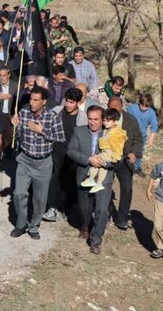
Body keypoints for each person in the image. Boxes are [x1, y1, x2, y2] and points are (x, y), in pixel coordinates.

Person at [11, 86, 66, 240]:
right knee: (19, 193)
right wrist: (15, 125)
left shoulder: (52, 117)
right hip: (25, 160)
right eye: (31, 99)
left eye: (36, 100)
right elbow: (18, 135)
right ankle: (21, 224)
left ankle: (34, 226)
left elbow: (60, 139)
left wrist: (42, 131)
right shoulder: (23, 113)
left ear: (44, 101)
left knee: (40, 198)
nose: (32, 103)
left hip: (43, 163)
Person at [67, 106, 112, 254]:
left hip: (103, 177)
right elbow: (71, 150)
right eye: (90, 119)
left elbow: (119, 156)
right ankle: (85, 226)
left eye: (96, 119)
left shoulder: (110, 133)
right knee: (84, 207)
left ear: (103, 119)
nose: (92, 122)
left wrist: (102, 162)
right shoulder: (79, 131)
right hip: (84, 174)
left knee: (101, 210)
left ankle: (96, 241)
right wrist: (88, 159)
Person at [44, 87, 86, 222]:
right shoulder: (56, 111)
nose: (68, 105)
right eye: (67, 101)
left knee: (69, 181)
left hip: (72, 155)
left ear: (78, 103)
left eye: (72, 102)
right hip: (55, 150)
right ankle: (52, 207)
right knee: (53, 179)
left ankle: (67, 207)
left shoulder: (83, 118)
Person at [107, 96, 143, 230]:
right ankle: (106, 213)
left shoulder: (131, 120)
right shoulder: (104, 118)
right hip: (108, 159)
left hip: (125, 160)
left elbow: (138, 139)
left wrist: (134, 153)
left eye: (116, 106)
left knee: (127, 189)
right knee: (105, 188)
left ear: (121, 107)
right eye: (111, 106)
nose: (113, 109)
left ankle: (122, 218)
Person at [80, 108, 126, 193]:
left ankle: (97, 182)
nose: (105, 122)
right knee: (98, 165)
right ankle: (92, 179)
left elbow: (118, 146)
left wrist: (115, 157)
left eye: (108, 121)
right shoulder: (107, 131)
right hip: (104, 152)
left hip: (109, 153)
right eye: (104, 120)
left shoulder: (117, 133)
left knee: (99, 162)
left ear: (115, 121)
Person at [126, 93, 159, 177]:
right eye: (142, 105)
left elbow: (154, 126)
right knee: (127, 150)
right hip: (129, 133)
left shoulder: (151, 113)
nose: (144, 108)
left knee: (138, 152)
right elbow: (125, 116)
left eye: (146, 106)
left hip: (141, 136)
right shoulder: (132, 108)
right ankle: (125, 167)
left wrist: (151, 139)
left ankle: (137, 168)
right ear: (139, 102)